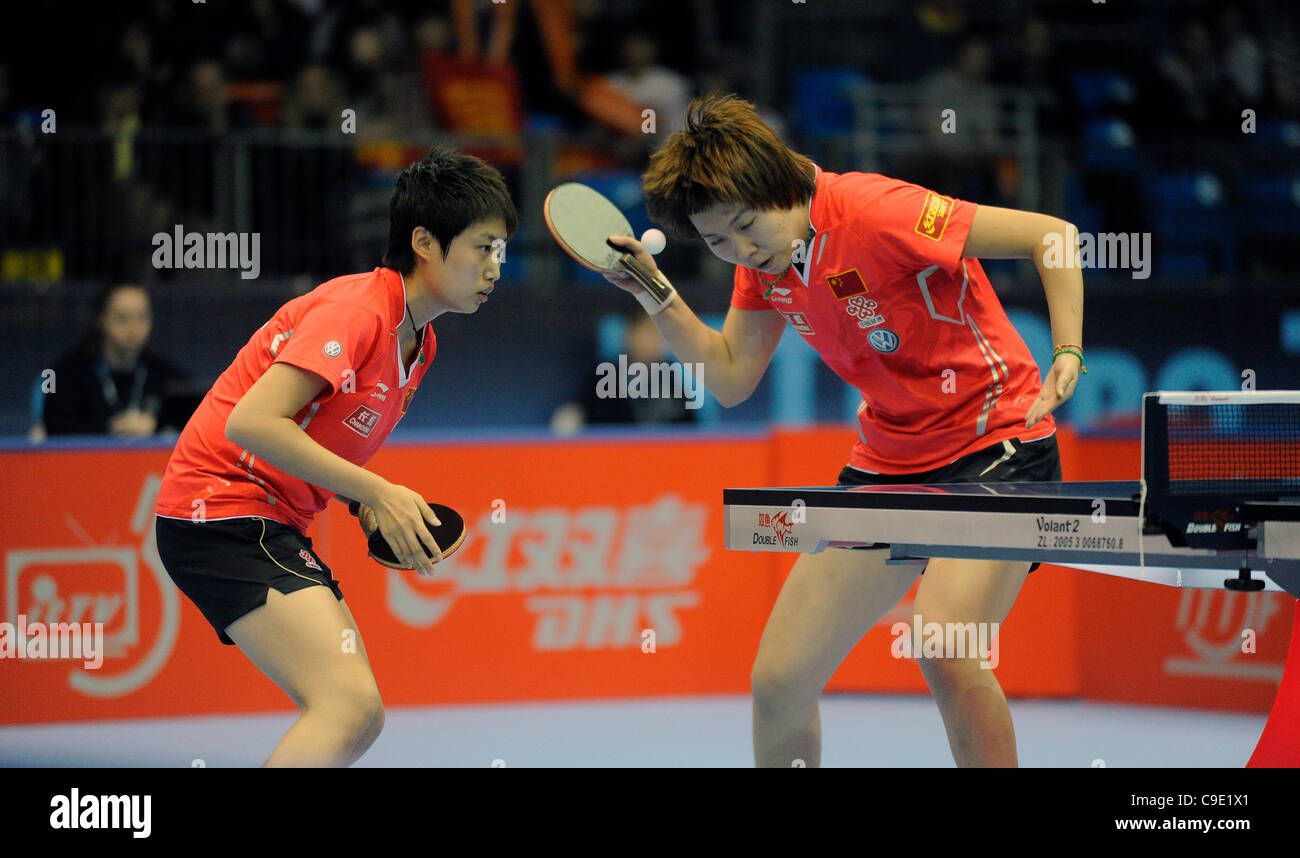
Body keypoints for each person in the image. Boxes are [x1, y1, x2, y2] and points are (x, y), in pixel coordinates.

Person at [603, 94, 1085, 767]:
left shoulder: (874, 210)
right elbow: (734, 376)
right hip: (890, 462)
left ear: (779, 184)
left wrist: (1067, 352)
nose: (742, 250)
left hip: (997, 442)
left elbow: (1052, 234)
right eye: (718, 242)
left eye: (746, 226)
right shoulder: (762, 263)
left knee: (945, 645)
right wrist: (656, 294)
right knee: (778, 681)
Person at [152, 146, 516, 767]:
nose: (496, 267)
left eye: (502, 251)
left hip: (268, 522)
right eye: (483, 247)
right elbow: (253, 422)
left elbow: (315, 440)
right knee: (346, 705)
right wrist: (378, 491)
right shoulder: (357, 313)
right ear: (425, 241)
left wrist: (359, 501)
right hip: (220, 513)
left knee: (360, 714)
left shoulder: (419, 345)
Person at [37, 282, 196, 439]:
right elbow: (55, 428)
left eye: (142, 317)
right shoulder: (66, 374)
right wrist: (111, 429)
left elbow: (197, 421)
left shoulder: (168, 376)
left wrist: (156, 426)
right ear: (100, 319)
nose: (134, 327)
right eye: (122, 318)